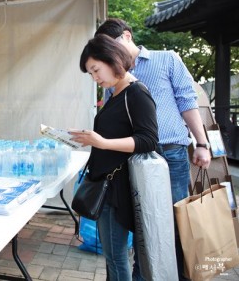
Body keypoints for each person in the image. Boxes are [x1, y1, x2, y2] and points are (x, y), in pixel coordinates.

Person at [95, 18, 211, 281]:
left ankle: (176, 275)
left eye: (112, 46)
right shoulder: (114, 73)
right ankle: (143, 276)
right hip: (133, 156)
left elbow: (186, 100)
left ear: (127, 36)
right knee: (142, 222)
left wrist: (202, 143)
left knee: (173, 222)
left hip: (170, 152)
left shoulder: (166, 59)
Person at [70, 34, 159, 281]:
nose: (95, 78)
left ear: (112, 60)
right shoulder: (116, 94)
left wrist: (102, 142)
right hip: (108, 185)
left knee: (116, 257)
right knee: (113, 257)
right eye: (90, 73)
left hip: (117, 189)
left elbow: (149, 139)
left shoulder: (136, 93)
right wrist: (91, 138)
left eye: (96, 70)